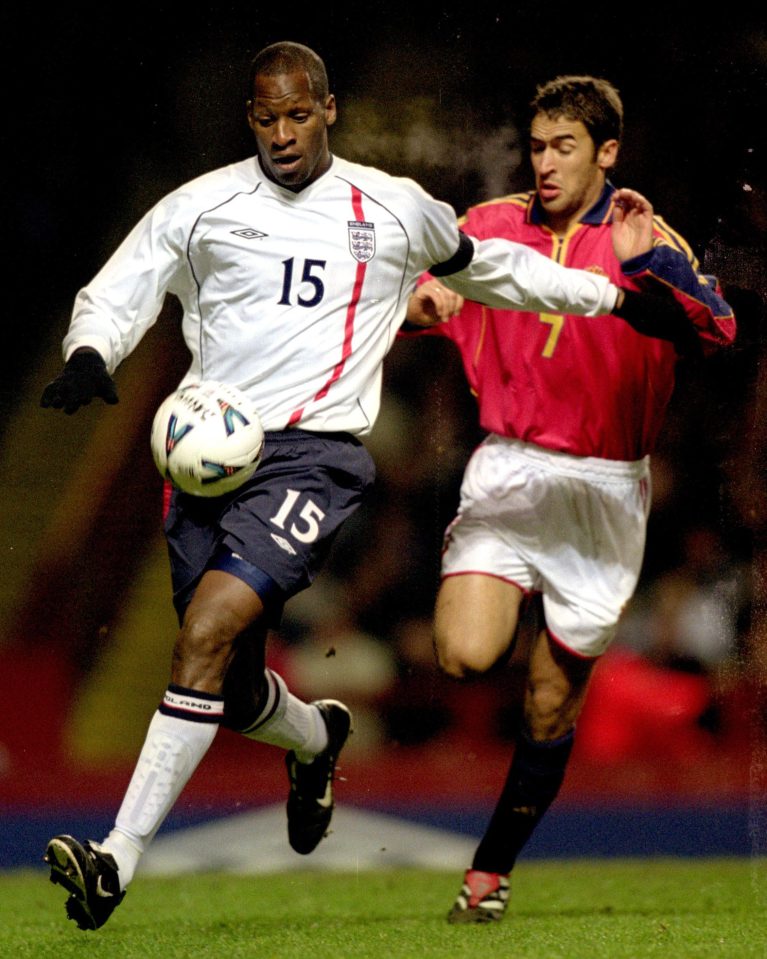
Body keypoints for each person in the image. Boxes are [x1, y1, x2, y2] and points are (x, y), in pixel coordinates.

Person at [40, 44, 655, 932]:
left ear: (328, 109)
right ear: (248, 118)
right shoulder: (202, 205)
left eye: (298, 115)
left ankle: (113, 859)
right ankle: (317, 737)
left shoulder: (391, 206)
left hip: (311, 460)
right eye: (265, 118)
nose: (282, 134)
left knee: (206, 633)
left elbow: (491, 267)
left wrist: (603, 294)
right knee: (228, 681)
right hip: (203, 465)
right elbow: (122, 285)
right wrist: (91, 351)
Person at [405, 75, 736, 923]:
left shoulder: (642, 235)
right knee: (463, 656)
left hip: (604, 490)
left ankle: (488, 873)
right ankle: (501, 609)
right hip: (510, 467)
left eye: (565, 147)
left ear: (606, 152)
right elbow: (422, 297)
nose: (544, 163)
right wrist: (425, 305)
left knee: (549, 702)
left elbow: (717, 329)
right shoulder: (488, 226)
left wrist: (650, 268)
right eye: (538, 145)